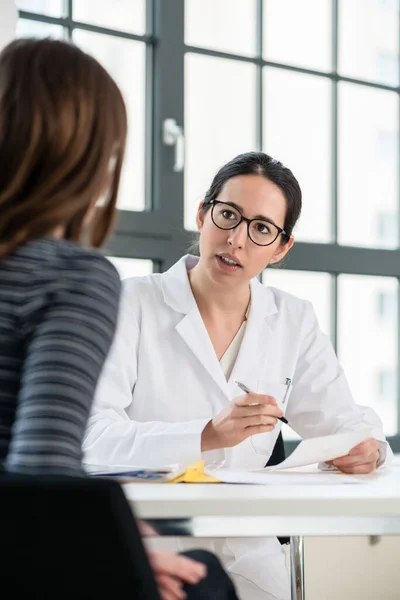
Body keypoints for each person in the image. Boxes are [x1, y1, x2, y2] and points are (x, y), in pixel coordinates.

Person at [83, 150, 393, 600]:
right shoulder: (130, 303)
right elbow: (92, 439)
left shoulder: (292, 319)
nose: (237, 240)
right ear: (202, 214)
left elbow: (345, 420)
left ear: (282, 247)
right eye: (228, 215)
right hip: (149, 544)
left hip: (252, 550)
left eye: (262, 228)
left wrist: (369, 449)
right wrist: (206, 435)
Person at [0, 37, 239, 600]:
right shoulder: (72, 276)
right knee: (203, 580)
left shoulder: (293, 317)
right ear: (94, 157)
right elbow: (44, 473)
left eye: (263, 228)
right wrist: (117, 551)